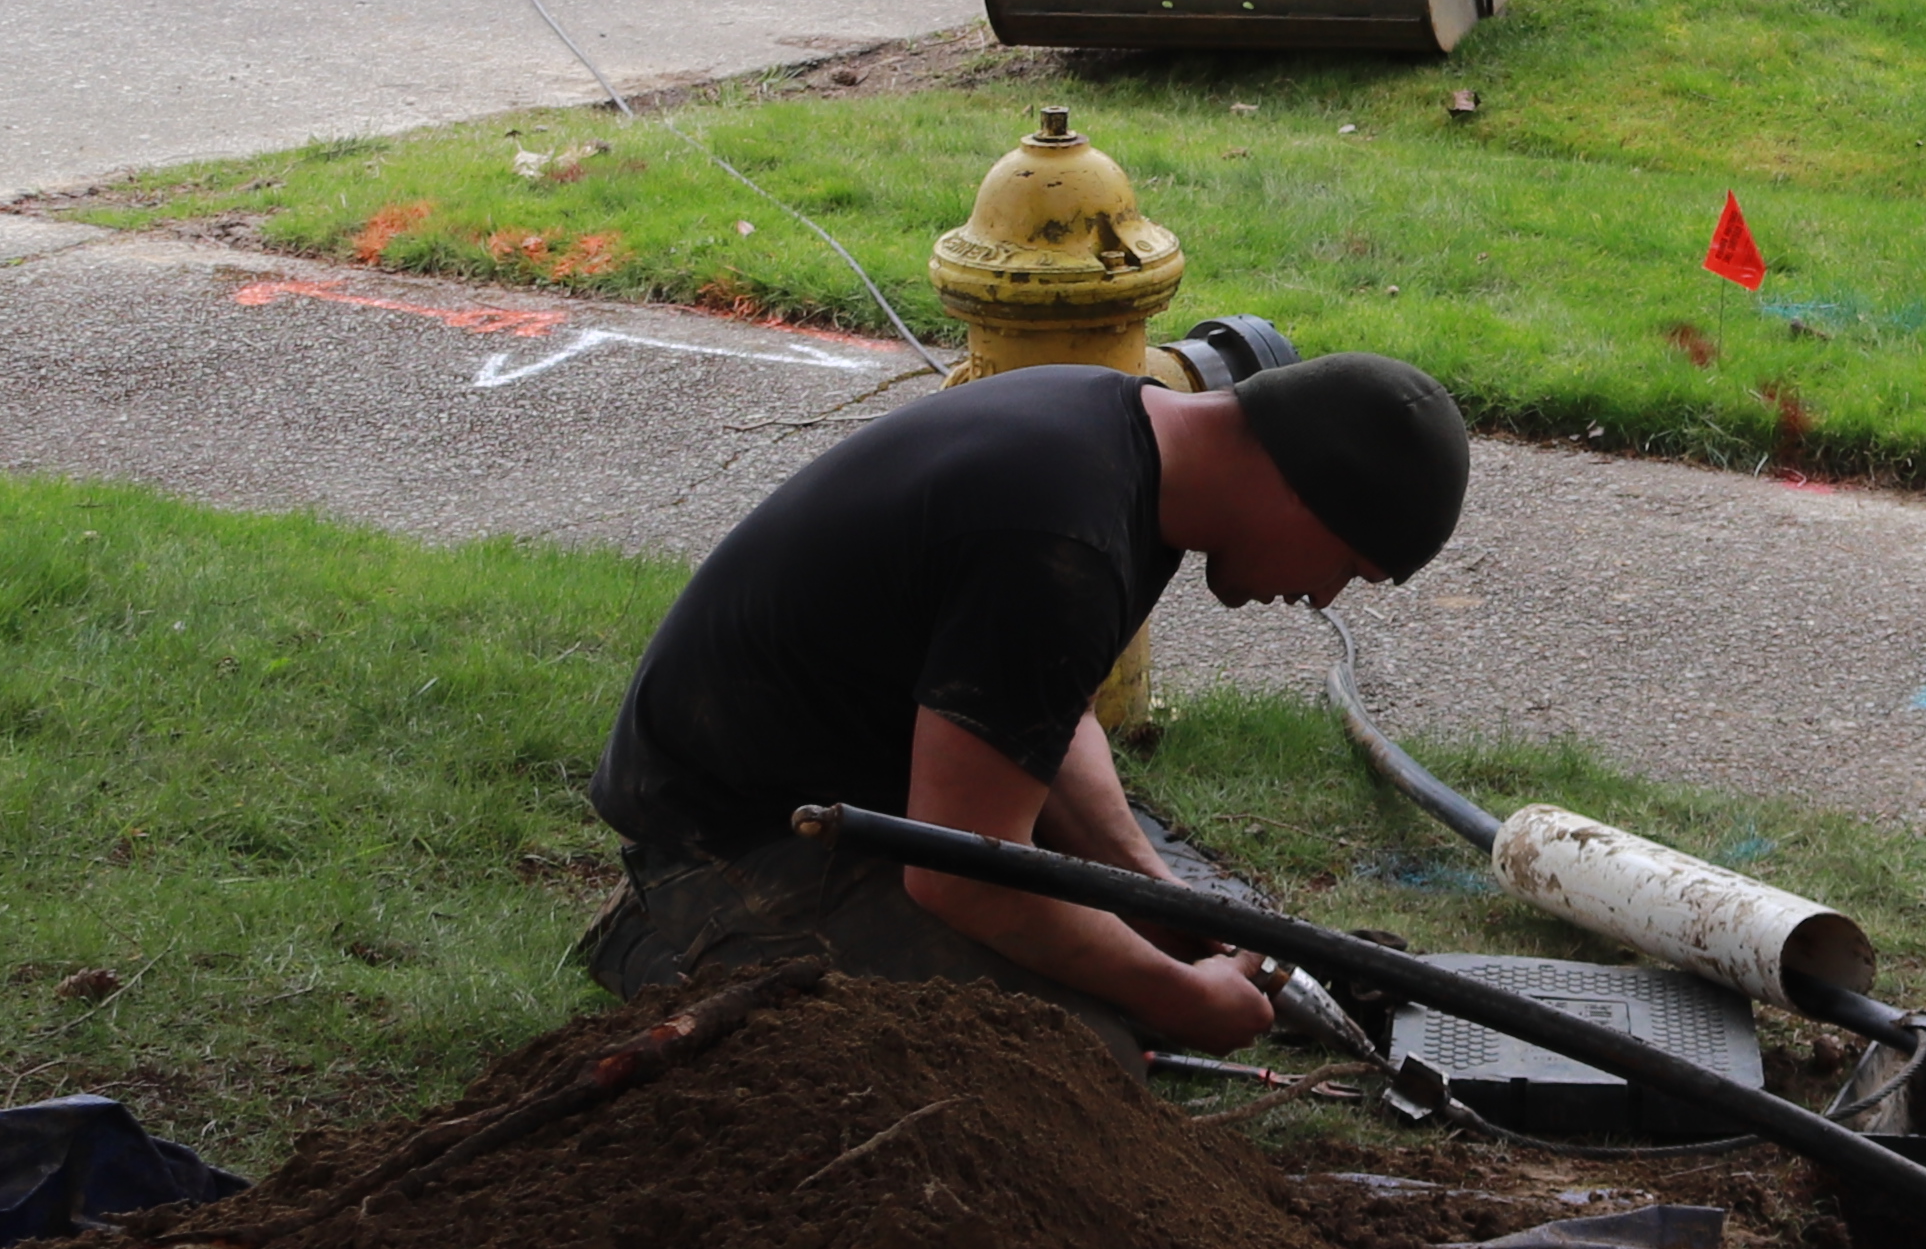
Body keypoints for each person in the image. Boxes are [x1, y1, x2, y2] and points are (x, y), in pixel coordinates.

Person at [578, 348, 1471, 1063]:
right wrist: (1173, 995)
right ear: (1303, 491)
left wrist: (1151, 892)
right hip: (734, 844)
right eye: (1347, 567)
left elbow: (1040, 711)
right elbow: (960, 872)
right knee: (1071, 1058)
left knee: (1166, 930)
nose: (1323, 598)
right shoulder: (1060, 542)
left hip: (864, 786)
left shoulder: (1120, 433)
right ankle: (671, 945)